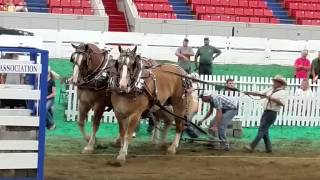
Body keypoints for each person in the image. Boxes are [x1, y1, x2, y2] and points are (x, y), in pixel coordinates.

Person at [244, 75, 288, 153]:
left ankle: (252, 146)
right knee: (265, 130)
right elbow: (261, 94)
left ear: (280, 83)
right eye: (274, 81)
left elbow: (282, 103)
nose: (273, 83)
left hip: (272, 113)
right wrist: (250, 93)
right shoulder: (271, 89)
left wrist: (271, 98)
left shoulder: (283, 92)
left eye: (275, 81)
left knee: (262, 129)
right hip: (266, 112)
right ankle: (269, 148)